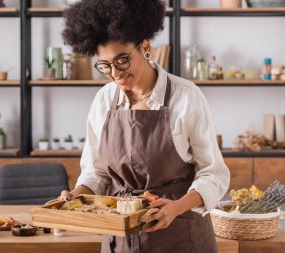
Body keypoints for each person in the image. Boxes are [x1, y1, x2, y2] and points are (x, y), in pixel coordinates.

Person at [58, 0, 230, 252]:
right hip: (120, 234)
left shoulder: (185, 96)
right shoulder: (105, 99)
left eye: (122, 60)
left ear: (146, 47)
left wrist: (177, 207)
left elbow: (213, 173)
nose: (114, 72)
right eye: (104, 65)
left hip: (179, 233)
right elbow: (97, 172)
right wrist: (77, 194)